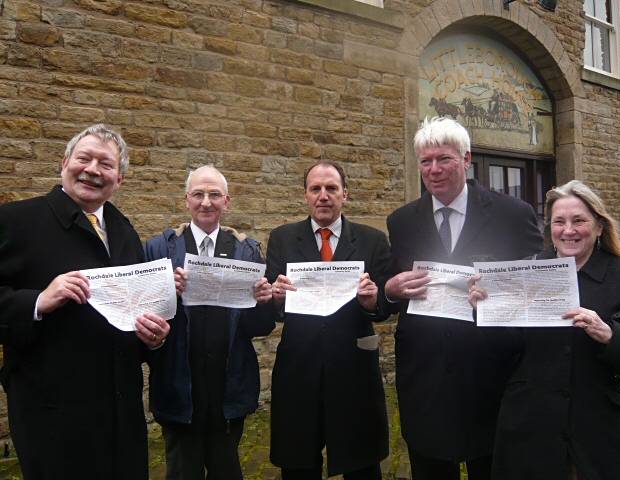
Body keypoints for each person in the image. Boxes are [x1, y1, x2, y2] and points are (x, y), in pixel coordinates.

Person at [0, 124, 169, 479]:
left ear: (118, 180)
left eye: (106, 164)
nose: (93, 169)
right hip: (54, 415)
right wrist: (38, 301)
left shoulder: (124, 231)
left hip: (120, 412)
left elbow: (133, 309)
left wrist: (152, 337)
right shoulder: (16, 220)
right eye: (84, 158)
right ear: (64, 163)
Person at [384, 117, 542, 480]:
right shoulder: (402, 221)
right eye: (426, 162)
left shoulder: (513, 215)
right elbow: (390, 286)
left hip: (492, 370)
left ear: (466, 159)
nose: (434, 170)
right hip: (425, 373)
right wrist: (392, 290)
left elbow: (534, 286)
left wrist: (497, 294)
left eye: (444, 159)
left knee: (494, 466)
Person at [469, 180, 620, 480]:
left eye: (579, 221)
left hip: (597, 429)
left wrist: (611, 335)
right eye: (559, 222)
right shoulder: (527, 271)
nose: (568, 230)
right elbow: (501, 352)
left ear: (599, 226)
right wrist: (483, 310)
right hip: (530, 425)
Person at [144, 165, 274, 480]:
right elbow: (143, 316)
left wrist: (262, 301)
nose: (206, 202)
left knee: (226, 468)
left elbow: (259, 327)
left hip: (228, 386)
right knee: (182, 471)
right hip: (179, 386)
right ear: (186, 199)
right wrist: (165, 292)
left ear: (226, 202)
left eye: (214, 195)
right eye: (198, 194)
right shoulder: (159, 248)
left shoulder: (248, 251)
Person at [266, 160, 391, 479]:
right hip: (298, 368)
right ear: (306, 196)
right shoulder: (281, 238)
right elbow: (272, 304)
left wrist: (372, 300)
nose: (323, 195)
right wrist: (276, 297)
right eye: (316, 189)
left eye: (331, 188)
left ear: (344, 194)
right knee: (298, 464)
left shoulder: (372, 240)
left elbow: (385, 306)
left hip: (354, 369)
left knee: (362, 462)